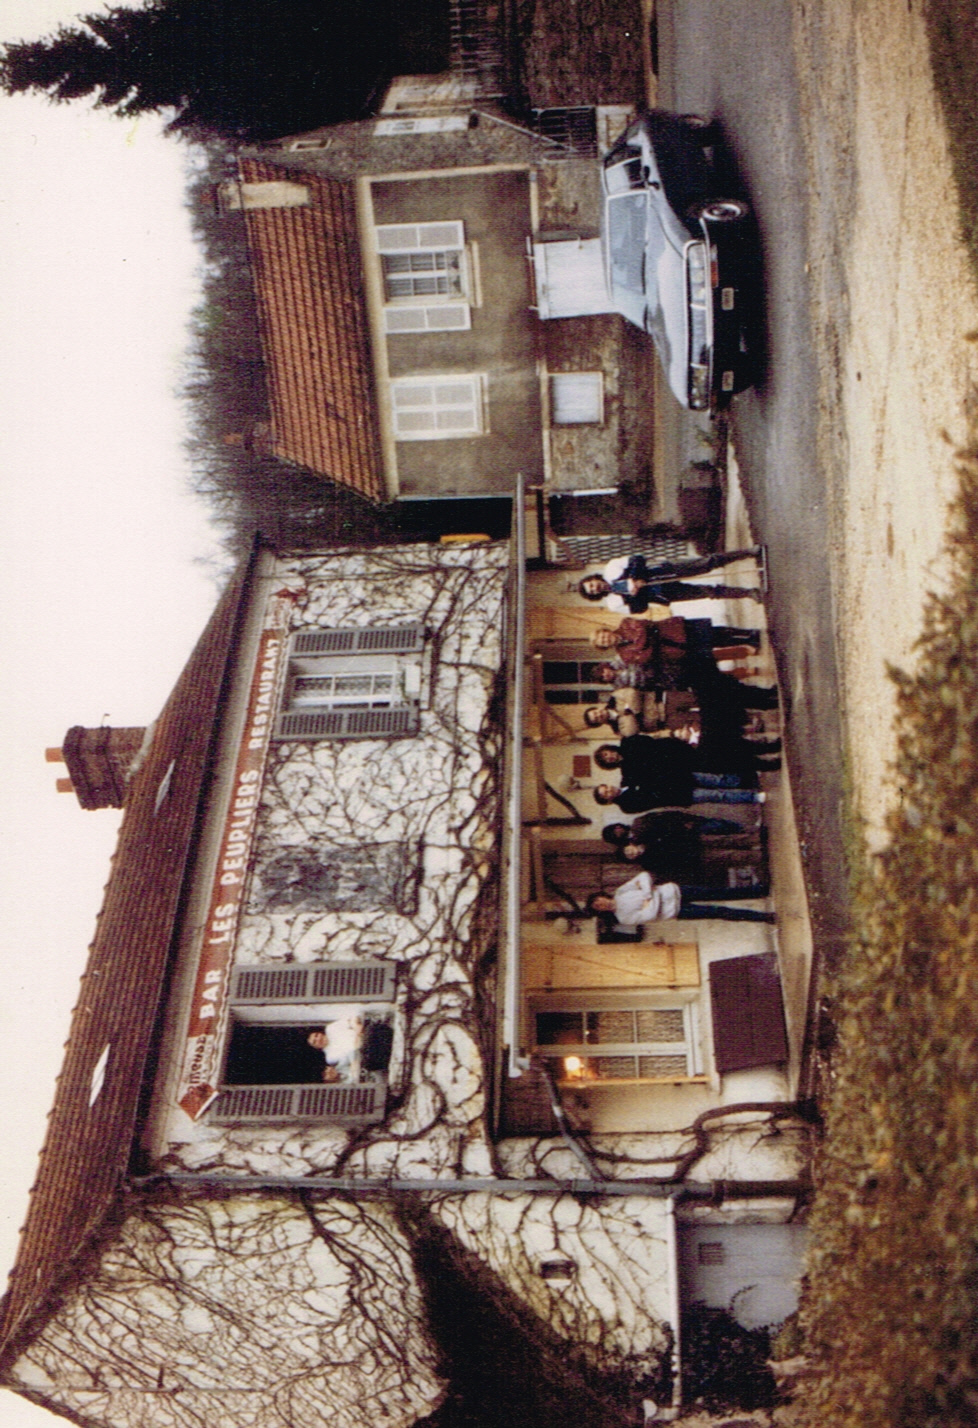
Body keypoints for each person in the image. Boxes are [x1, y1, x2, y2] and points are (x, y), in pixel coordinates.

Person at [578, 550, 764, 612]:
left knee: (708, 563)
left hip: (665, 571)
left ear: (594, 579)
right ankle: (749, 593)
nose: (596, 588)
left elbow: (637, 559)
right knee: (709, 591)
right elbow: (640, 608)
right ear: (596, 595)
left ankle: (749, 552)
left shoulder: (611, 569)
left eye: (592, 585)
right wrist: (636, 593)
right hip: (665, 593)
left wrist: (636, 577)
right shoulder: (612, 603)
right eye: (593, 591)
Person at [585, 870, 775, 924]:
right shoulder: (623, 918)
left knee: (720, 892)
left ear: (601, 896)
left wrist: (647, 896)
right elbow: (649, 916)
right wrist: (652, 896)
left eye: (598, 901)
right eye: (597, 907)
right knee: (720, 911)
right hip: (678, 910)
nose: (600, 904)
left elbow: (644, 876)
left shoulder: (621, 892)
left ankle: (758, 891)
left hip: (676, 891)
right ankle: (763, 917)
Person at [307, 1007, 364, 1083]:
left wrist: (356, 1026)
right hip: (364, 1049)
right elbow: (352, 1054)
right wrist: (358, 1037)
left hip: (365, 1032)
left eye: (316, 1035)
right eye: (314, 1041)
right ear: (316, 1047)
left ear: (320, 1033)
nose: (318, 1039)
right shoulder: (330, 1057)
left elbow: (353, 1017)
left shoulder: (330, 1028)